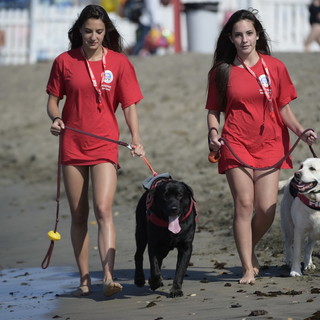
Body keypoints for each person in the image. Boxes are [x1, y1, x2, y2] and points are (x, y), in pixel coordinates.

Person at [206, 9, 317, 284]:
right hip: (235, 142)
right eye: (238, 35)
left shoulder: (275, 67)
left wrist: (301, 131)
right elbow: (213, 111)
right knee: (244, 204)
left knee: (266, 209)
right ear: (230, 38)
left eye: (249, 34)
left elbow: (285, 110)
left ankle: (247, 247)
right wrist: (212, 133)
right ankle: (247, 267)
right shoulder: (221, 71)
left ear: (257, 35)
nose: (244, 40)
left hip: (270, 145)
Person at [46, 4, 145, 297]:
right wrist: (55, 118)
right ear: (79, 31)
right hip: (73, 144)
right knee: (79, 215)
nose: (93, 37)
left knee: (103, 209)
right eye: (88, 31)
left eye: (99, 31)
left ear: (107, 32)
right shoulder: (64, 61)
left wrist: (136, 139)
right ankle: (84, 279)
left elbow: (129, 106)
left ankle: (108, 276)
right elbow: (53, 101)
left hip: (105, 144)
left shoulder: (120, 63)